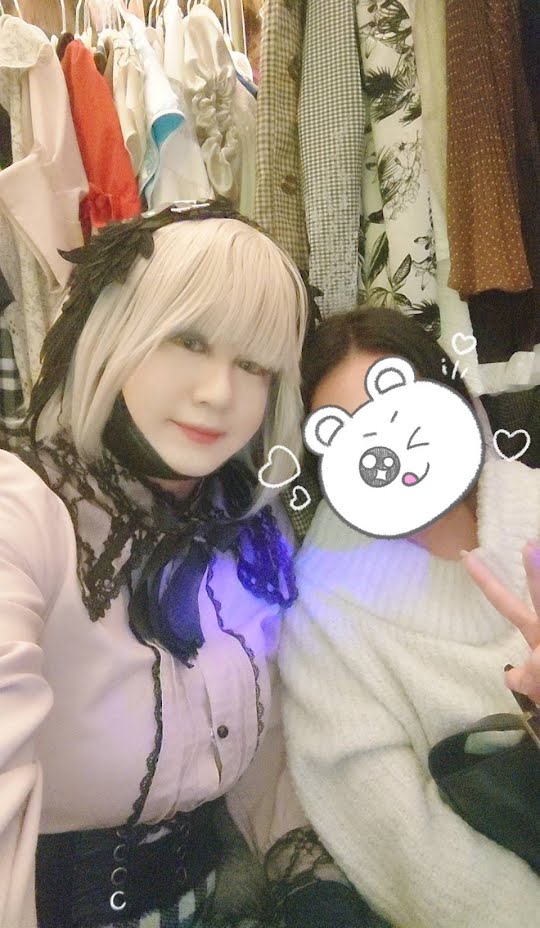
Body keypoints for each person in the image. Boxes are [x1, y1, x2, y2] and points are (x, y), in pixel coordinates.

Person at [0, 201, 382, 928]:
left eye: (254, 364)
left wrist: (315, 889)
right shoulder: (23, 509)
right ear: (117, 333)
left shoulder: (248, 525)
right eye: (188, 340)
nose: (218, 394)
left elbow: (266, 749)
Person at [279, 306, 540, 928]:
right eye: (349, 435)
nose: (391, 450)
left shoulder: (531, 502)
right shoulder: (323, 616)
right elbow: (405, 846)